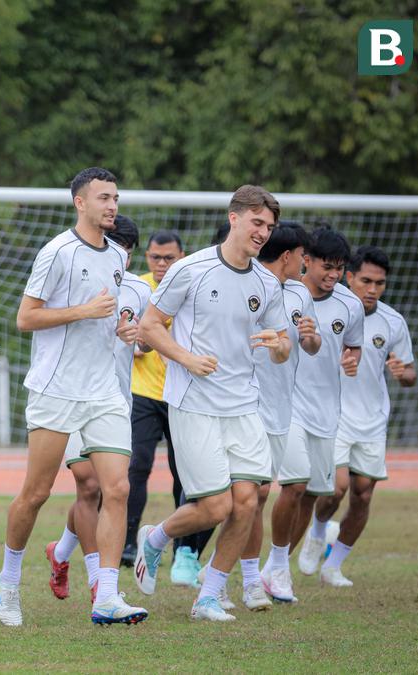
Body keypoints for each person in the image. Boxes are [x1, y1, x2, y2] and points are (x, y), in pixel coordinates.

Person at [0, 167, 147, 627]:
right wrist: (82, 311)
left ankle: (105, 596)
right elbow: (25, 318)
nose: (112, 205)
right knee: (36, 493)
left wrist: (124, 329)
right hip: (56, 388)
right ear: (80, 203)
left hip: (104, 391)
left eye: (115, 197)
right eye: (103, 197)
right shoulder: (56, 252)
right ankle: (8, 581)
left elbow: (108, 319)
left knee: (116, 488)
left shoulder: (118, 257)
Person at [133, 185, 291, 622]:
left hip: (243, 405)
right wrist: (185, 358)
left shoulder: (266, 282)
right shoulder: (190, 269)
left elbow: (282, 346)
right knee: (216, 506)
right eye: (257, 223)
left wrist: (278, 346)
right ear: (234, 218)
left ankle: (208, 596)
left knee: (249, 500)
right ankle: (157, 536)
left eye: (269, 227)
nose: (263, 233)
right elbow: (149, 326)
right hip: (193, 402)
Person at [46, 214, 151, 603]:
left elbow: (148, 340)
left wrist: (140, 338)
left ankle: (60, 552)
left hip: (113, 401)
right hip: (70, 397)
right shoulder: (76, 279)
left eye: (124, 251)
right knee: (88, 484)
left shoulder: (138, 290)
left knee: (110, 492)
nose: (117, 257)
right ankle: (98, 583)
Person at [309, 246, 415, 586]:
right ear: (349, 276)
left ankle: (333, 566)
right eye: (366, 280)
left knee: (364, 493)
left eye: (379, 283)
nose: (372, 289)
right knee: (336, 488)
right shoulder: (328, 308)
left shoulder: (393, 321)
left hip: (372, 420)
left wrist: (403, 372)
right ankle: (317, 531)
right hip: (333, 413)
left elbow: (411, 373)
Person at [123, 229, 212, 584]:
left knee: (185, 475)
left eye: (168, 258)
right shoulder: (139, 288)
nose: (161, 264)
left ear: (181, 256)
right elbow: (129, 335)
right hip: (143, 392)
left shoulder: (191, 286)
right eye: (155, 257)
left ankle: (181, 551)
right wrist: (139, 345)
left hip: (182, 394)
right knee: (136, 468)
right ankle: (129, 544)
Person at [277, 227, 363, 578]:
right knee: (290, 486)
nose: (333, 275)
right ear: (306, 260)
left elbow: (353, 346)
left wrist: (352, 359)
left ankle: (274, 567)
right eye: (326, 266)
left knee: (311, 493)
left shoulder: (350, 304)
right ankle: (259, 565)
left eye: (339, 268)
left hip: (326, 411)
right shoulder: (283, 293)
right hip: (286, 405)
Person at [251, 223, 320, 605]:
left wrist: (310, 337)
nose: (305, 262)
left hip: (285, 405)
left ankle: (276, 568)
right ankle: (232, 575)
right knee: (253, 495)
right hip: (246, 403)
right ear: (288, 255)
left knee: (296, 484)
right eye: (302, 255)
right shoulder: (250, 282)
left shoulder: (299, 292)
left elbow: (310, 346)